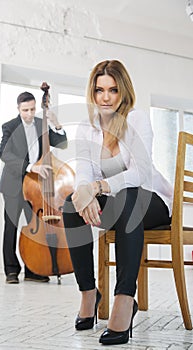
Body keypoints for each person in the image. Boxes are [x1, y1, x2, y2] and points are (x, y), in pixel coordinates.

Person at [63, 60, 173, 345]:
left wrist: (99, 186)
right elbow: (84, 171)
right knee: (70, 204)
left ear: (123, 91)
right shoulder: (86, 129)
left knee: (127, 196)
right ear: (93, 92)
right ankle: (89, 293)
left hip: (151, 202)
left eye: (112, 90)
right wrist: (83, 193)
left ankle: (125, 300)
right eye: (99, 90)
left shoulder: (137, 120)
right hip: (118, 203)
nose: (106, 97)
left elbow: (141, 172)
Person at [0, 91, 67, 284]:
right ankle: (11, 271)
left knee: (35, 228)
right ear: (18, 108)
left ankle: (33, 269)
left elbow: (62, 144)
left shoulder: (41, 125)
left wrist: (56, 124)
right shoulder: (9, 126)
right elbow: (4, 153)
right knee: (11, 227)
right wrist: (30, 167)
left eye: (32, 109)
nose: (29, 114)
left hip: (35, 188)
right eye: (25, 110)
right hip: (13, 184)